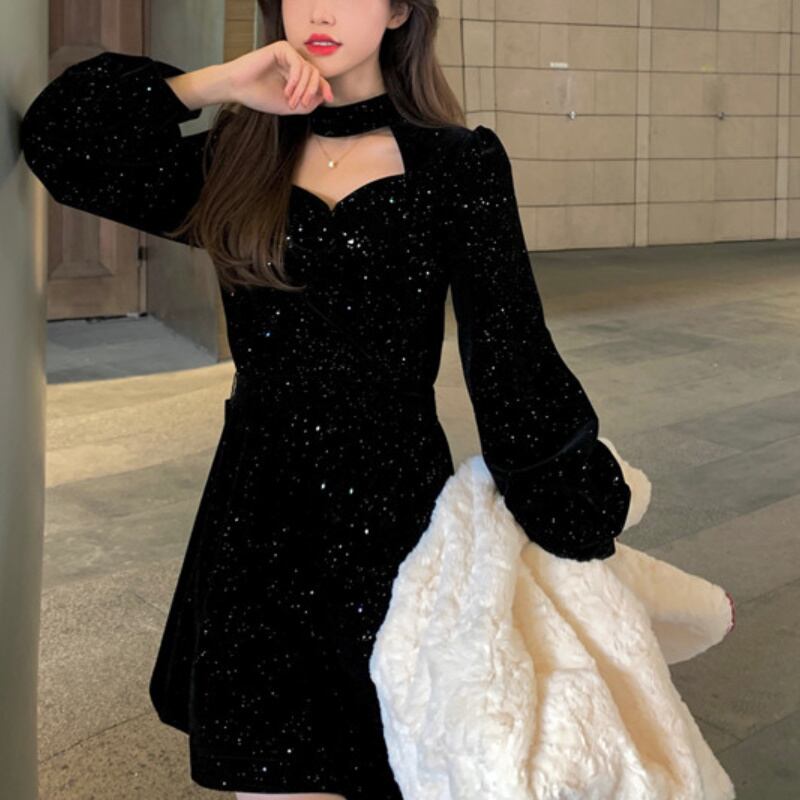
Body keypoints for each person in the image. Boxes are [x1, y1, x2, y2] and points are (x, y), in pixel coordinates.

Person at [19, 1, 634, 798]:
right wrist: (216, 83)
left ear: (399, 9)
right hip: (257, 512)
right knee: (270, 770)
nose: (318, 8)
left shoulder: (457, 164)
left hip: (395, 509)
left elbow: (509, 354)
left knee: (396, 760)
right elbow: (59, 140)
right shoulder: (236, 159)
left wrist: (569, 510)